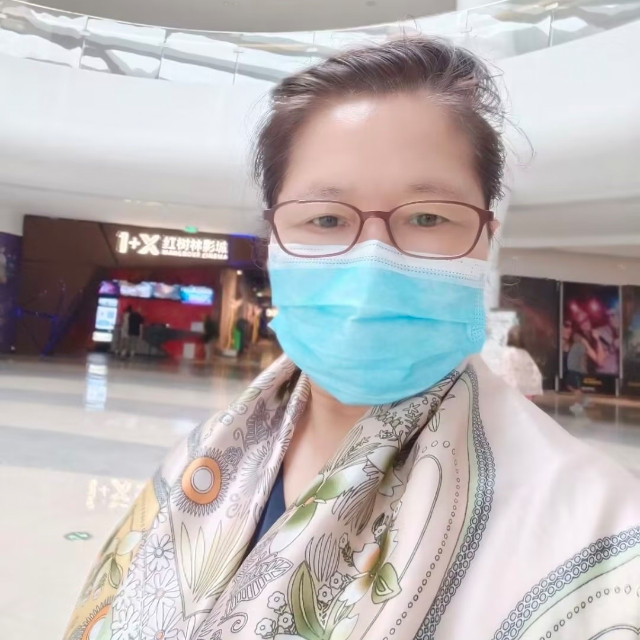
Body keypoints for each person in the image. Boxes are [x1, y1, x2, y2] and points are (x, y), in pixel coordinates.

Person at [65, 38, 640, 640]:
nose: (373, 264)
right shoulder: (198, 462)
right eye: (326, 219)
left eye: (427, 217)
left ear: (485, 238)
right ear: (274, 239)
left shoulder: (596, 539)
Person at [500, 326, 543, 400]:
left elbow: (505, 373)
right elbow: (535, 373)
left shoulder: (507, 354)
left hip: (513, 391)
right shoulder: (525, 354)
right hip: (526, 391)